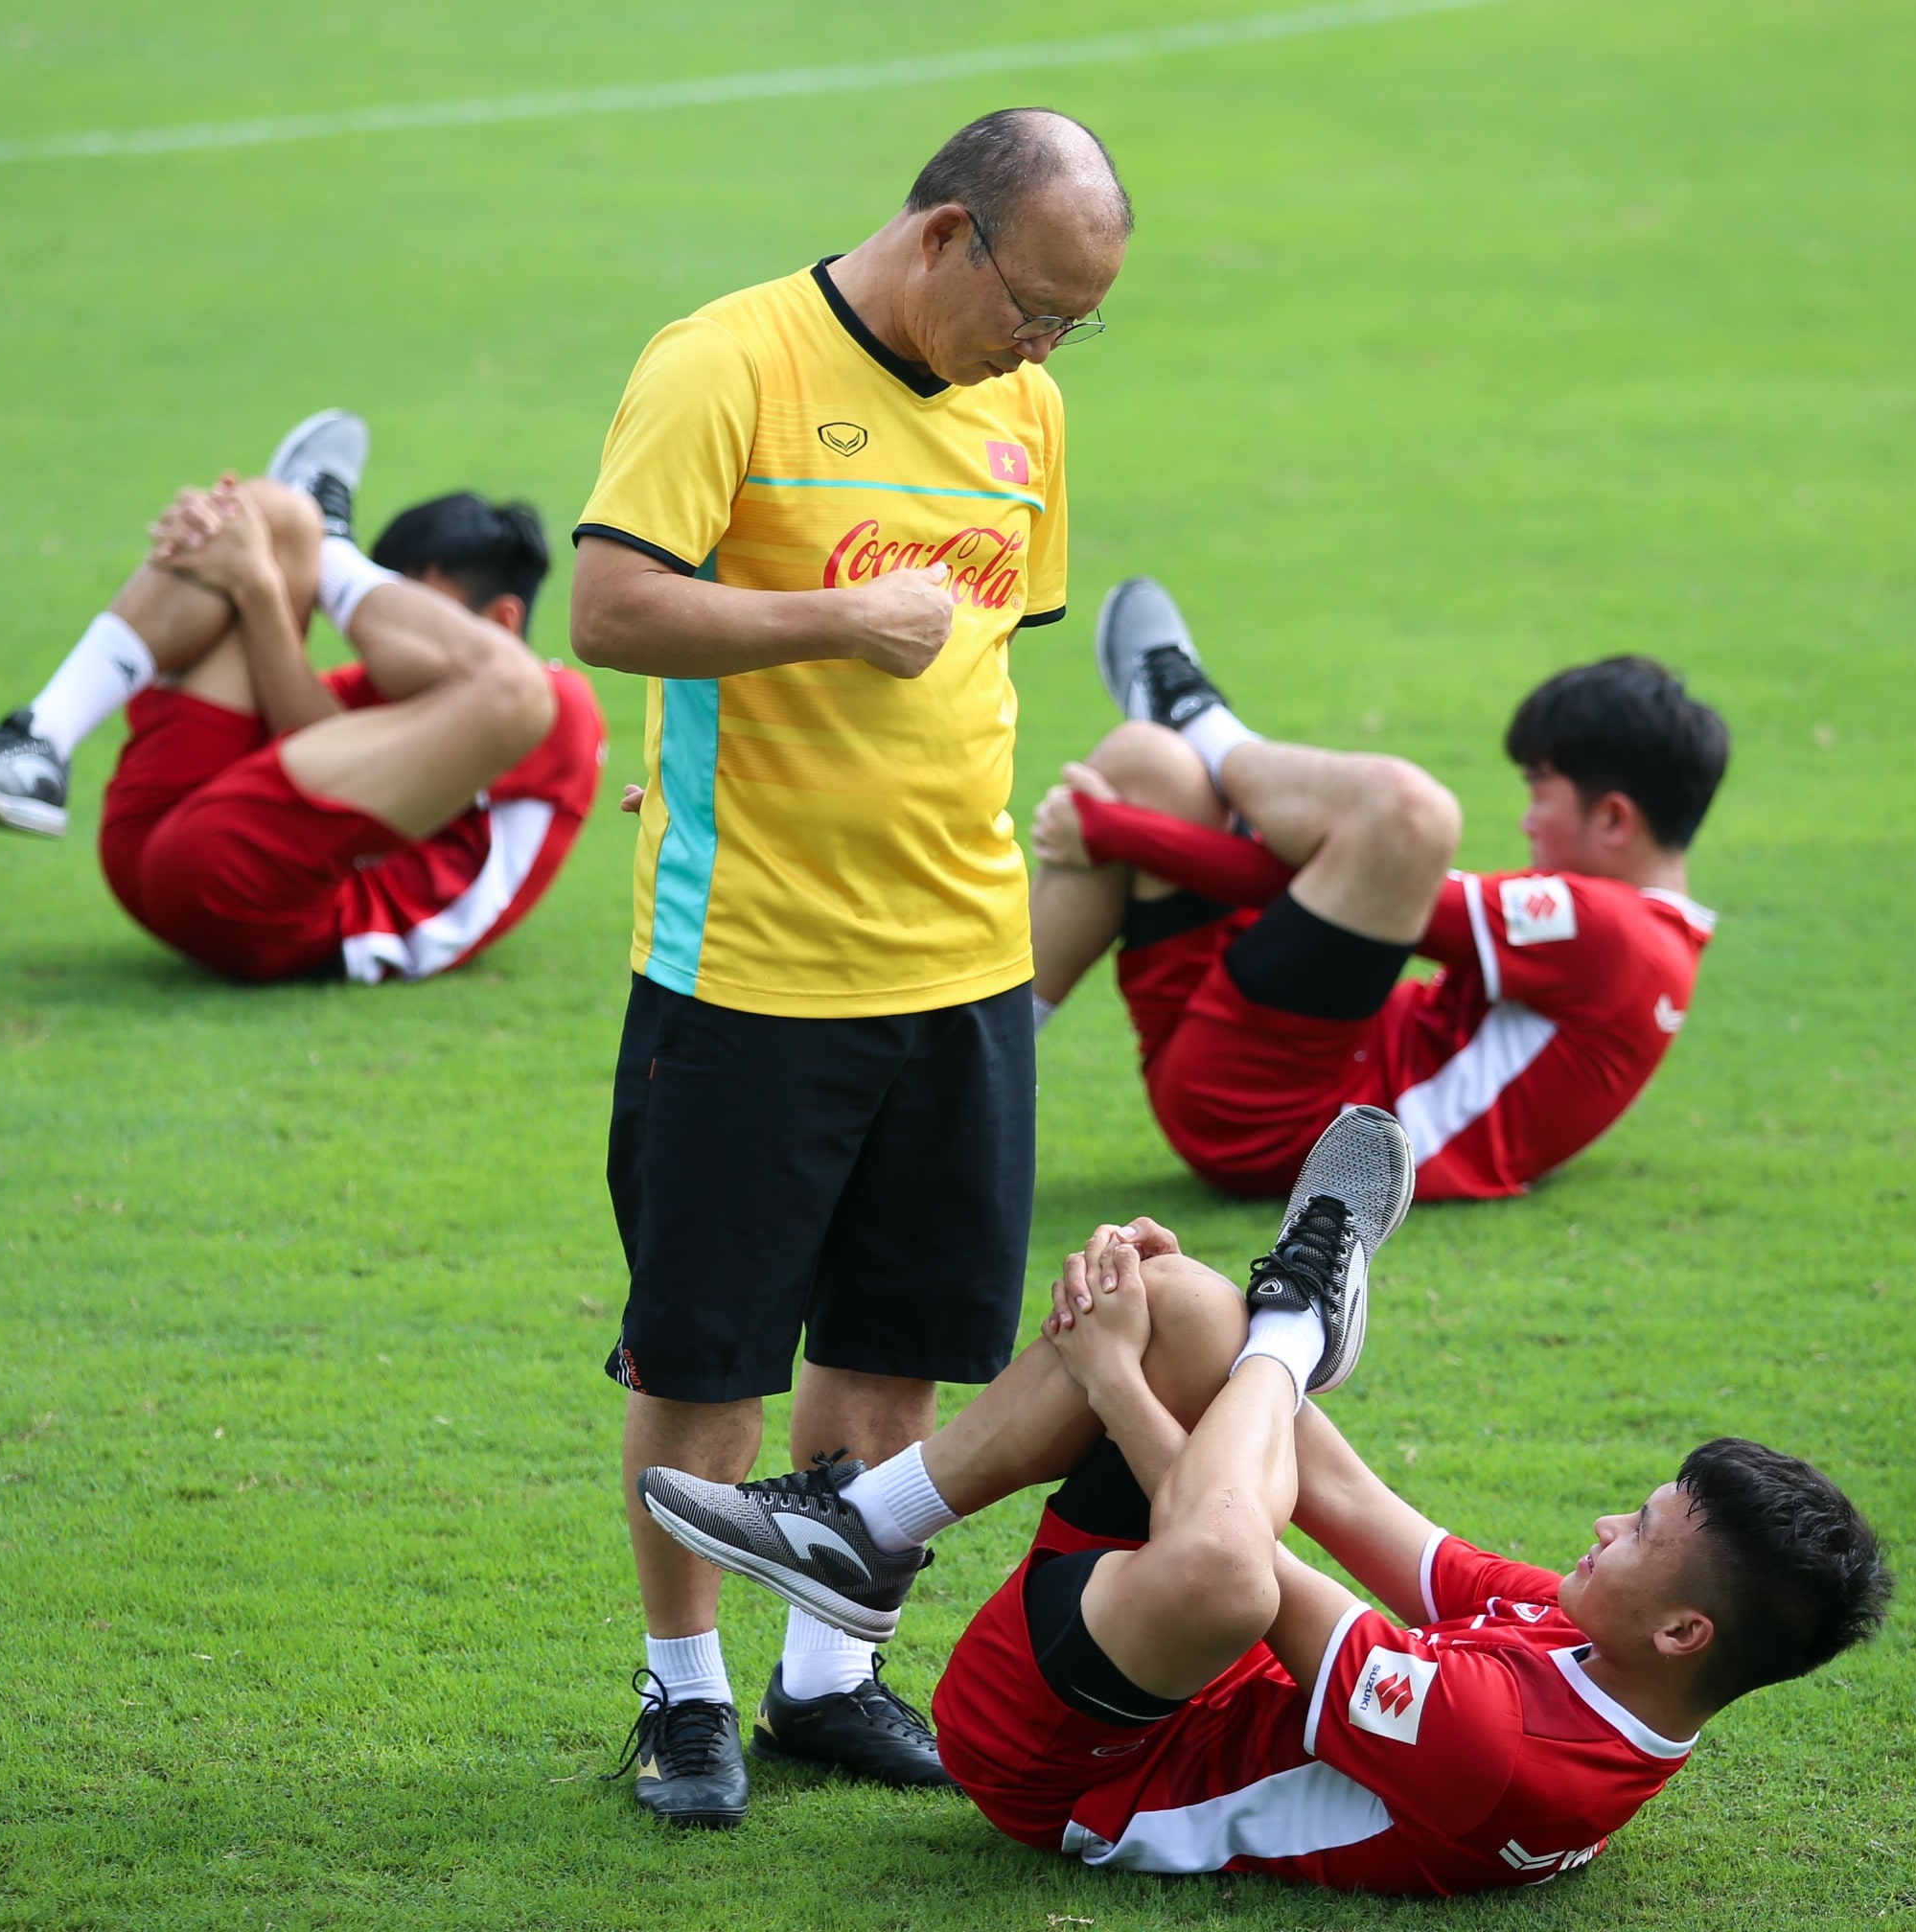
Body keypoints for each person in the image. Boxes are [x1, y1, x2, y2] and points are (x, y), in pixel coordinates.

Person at [638, 1109, 1890, 1897]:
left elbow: (1233, 1545)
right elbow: (1338, 1493)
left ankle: (1296, 1321)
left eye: (1641, 1534)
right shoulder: (1596, 1637)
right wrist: (1189, 1326)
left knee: (1232, 1564)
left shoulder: (1509, 1759)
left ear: (1684, 1631)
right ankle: (867, 1527)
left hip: (1060, 1766)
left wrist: (1121, 1375)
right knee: (1189, 1307)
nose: (1607, 1529)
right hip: (1153, 1637)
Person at [571, 108, 1131, 1823]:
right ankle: (681, 1695)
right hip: (748, 965)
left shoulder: (1024, 410)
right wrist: (831, 616)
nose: (1041, 347)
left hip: (962, 961)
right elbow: (608, 610)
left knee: (895, 1345)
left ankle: (826, 1678)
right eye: (1030, 306)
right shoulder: (723, 362)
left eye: (1076, 325)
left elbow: (973, 670)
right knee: (706, 1363)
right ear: (945, 231)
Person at [1027, 576, 1731, 1199]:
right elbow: (1343, 891)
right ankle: (987, 1058)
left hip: (1288, 1128)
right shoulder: (1652, 946)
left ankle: (1193, 711)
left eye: (1539, 790)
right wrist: (1116, 829)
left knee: (1409, 814)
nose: (1526, 818)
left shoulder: (1619, 936)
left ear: (1614, 819)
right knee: (1145, 763)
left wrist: (1114, 833)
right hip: (1267, 1069)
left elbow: (1346, 878)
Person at [0, 412, 606, 985]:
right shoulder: (389, 688)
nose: (382, 622)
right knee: (272, 514)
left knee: (513, 688)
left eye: (403, 599)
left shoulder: (560, 708)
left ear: (501, 622)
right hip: (161, 844)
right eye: (378, 588)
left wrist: (263, 587)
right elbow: (302, 758)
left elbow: (319, 779)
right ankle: (40, 738)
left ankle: (330, 542)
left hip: (291, 919)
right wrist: (257, 554)